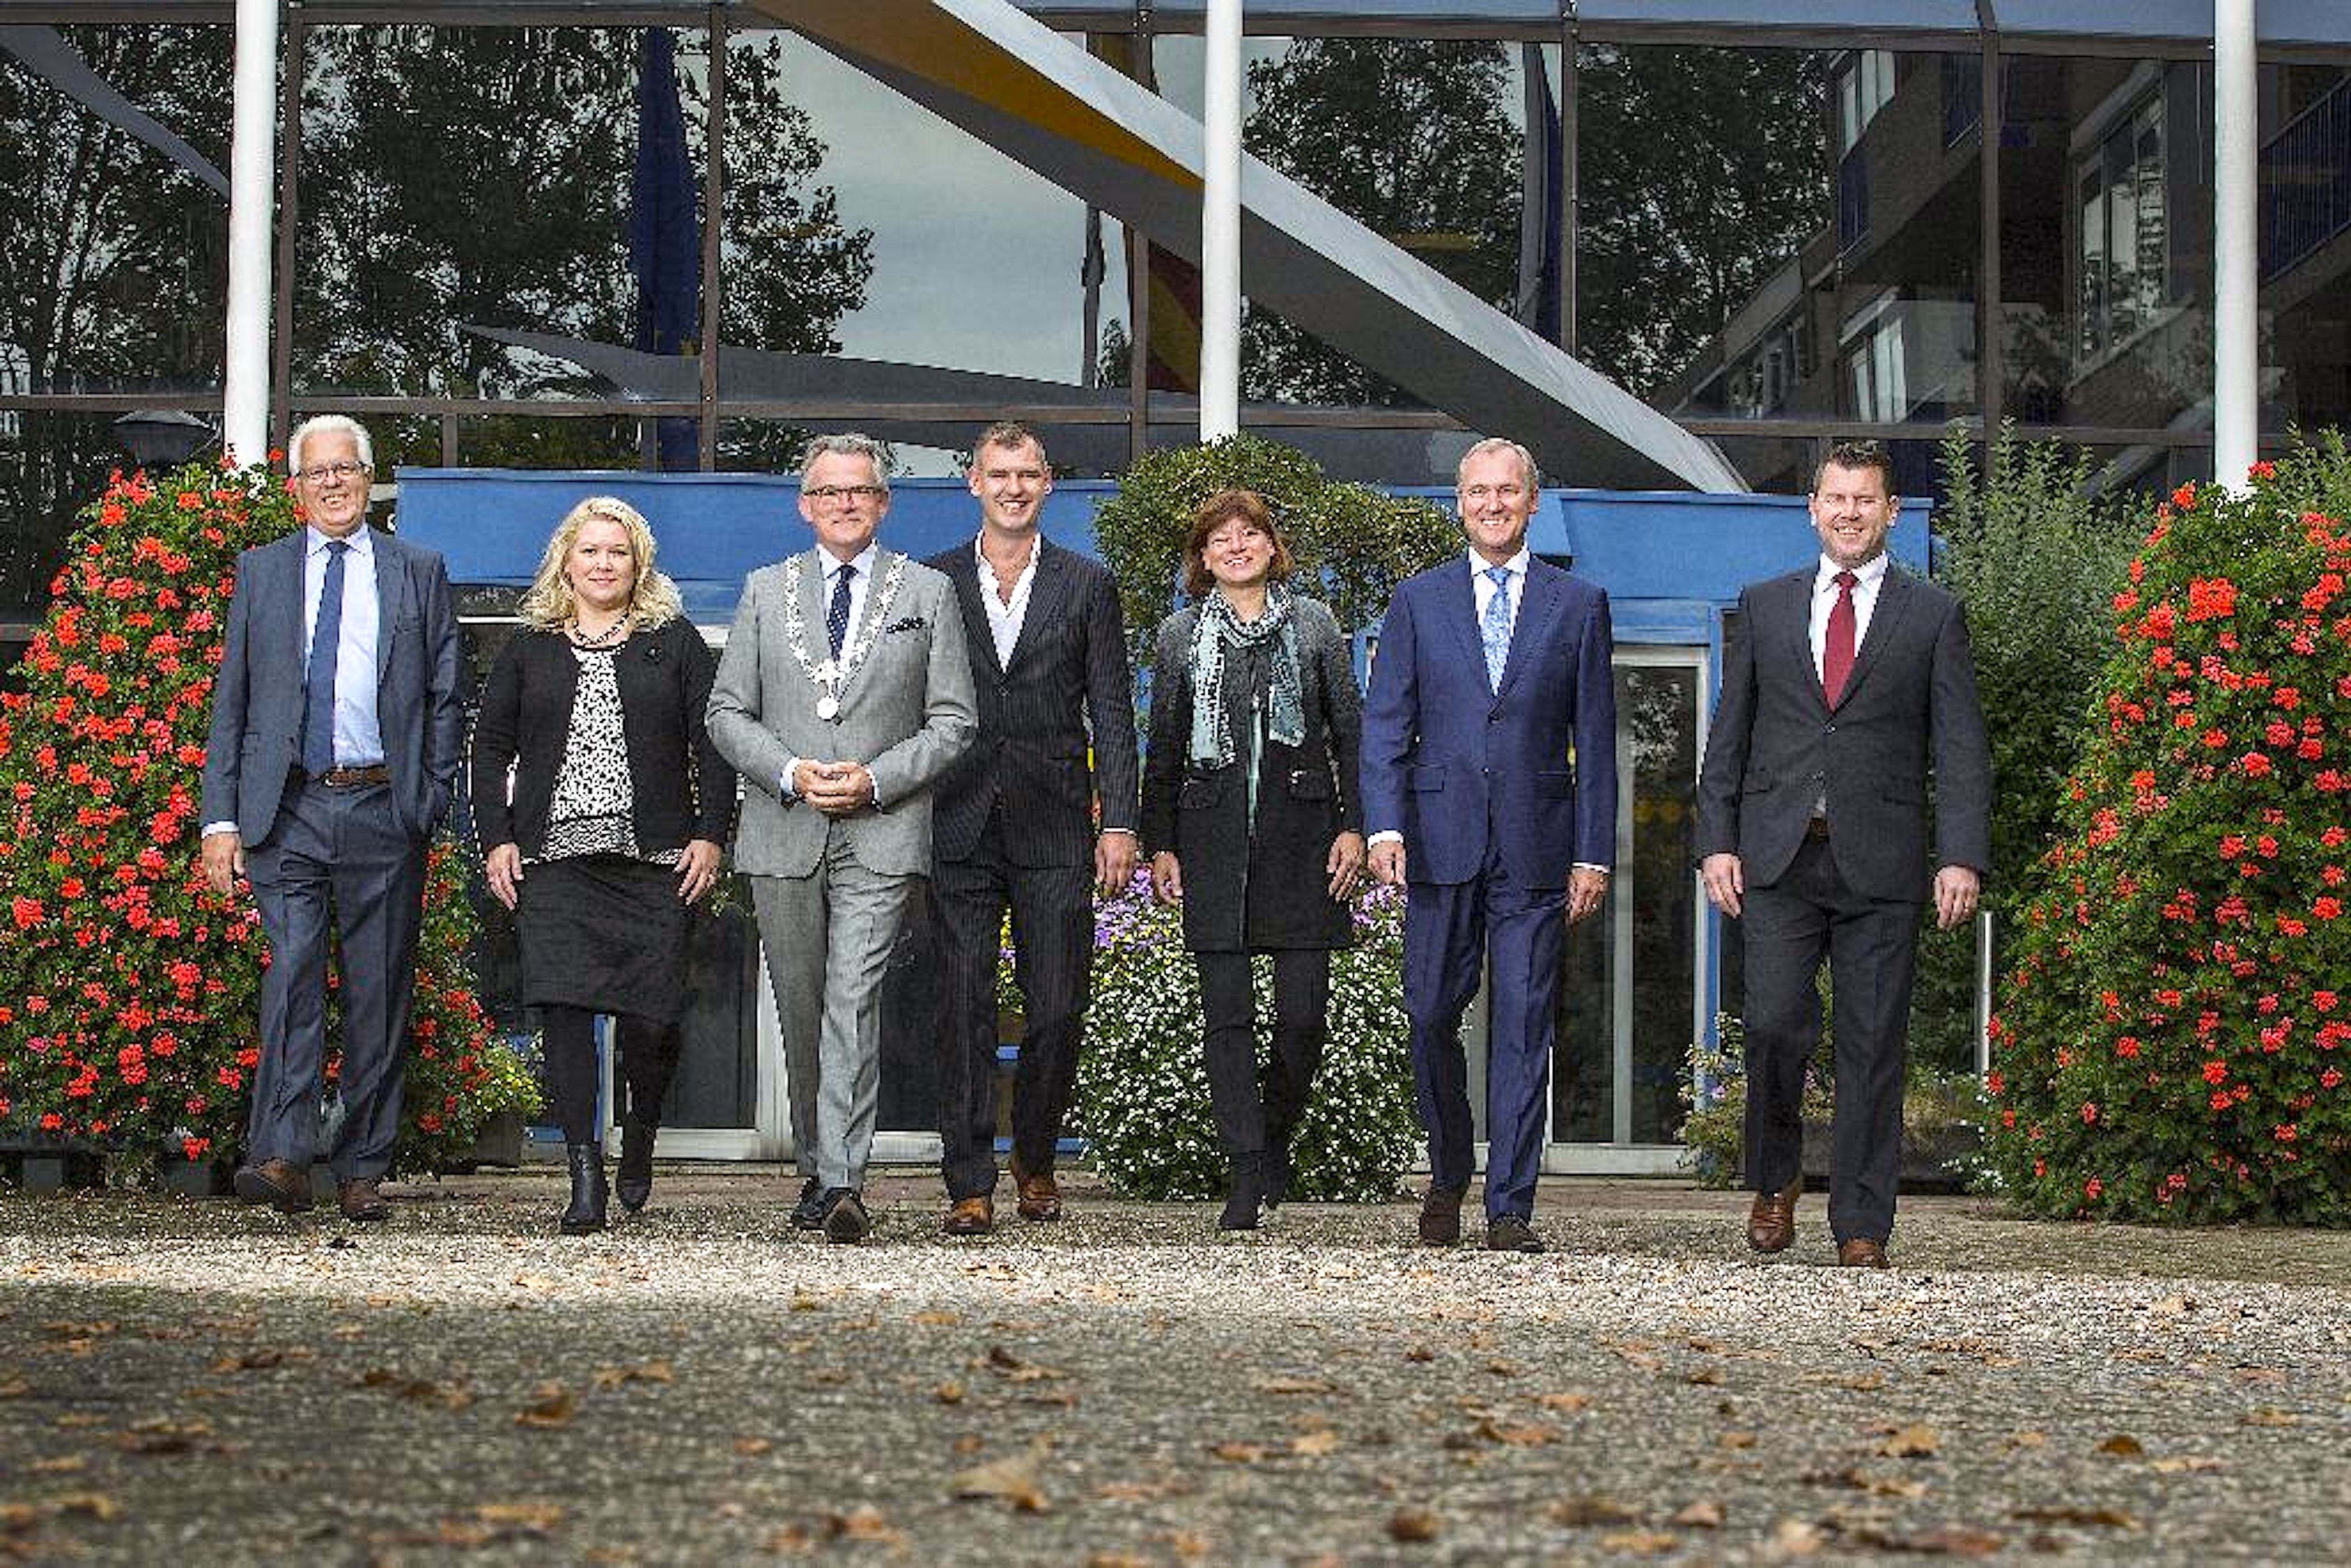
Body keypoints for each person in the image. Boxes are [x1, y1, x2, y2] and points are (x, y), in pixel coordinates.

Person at [1696, 440, 1990, 1269]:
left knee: (1871, 1042)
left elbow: (1960, 746)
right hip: (1778, 858)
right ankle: (1774, 1175)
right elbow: (1728, 736)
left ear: (1889, 511)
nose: (1849, 513)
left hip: (1881, 865)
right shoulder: (1764, 606)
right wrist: (1716, 841)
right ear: (1813, 509)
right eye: (1835, 498)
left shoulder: (1931, 615)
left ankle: (1862, 1221)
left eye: (1864, 500)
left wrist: (1959, 855)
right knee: (1771, 1025)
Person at [707, 433, 977, 1244]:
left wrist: (877, 778)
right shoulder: (764, 590)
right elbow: (726, 712)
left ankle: (842, 1181)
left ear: (882, 503)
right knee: (803, 1005)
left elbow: (953, 720)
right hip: (784, 826)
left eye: (859, 490)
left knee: (852, 1000)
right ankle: (816, 1166)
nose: (844, 503)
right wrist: (790, 771)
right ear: (805, 505)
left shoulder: (927, 592)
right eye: (828, 491)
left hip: (882, 827)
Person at [199, 414, 464, 1221]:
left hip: (386, 806)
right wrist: (219, 820)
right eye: (317, 472)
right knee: (292, 974)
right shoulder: (263, 570)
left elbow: (445, 694)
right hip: (288, 808)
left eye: (346, 468)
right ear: (297, 487)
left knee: (379, 990)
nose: (333, 483)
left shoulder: (418, 569)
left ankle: (361, 1167)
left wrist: (429, 796)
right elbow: (234, 701)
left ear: (368, 479)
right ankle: (283, 1156)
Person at [1362, 437, 1617, 1255]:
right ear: (1459, 504)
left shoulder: (1577, 604)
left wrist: (1592, 852)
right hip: (1438, 841)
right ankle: (1447, 1170)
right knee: (1428, 1011)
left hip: (1536, 848)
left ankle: (1509, 1204)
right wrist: (1384, 825)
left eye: (1507, 491)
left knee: (1523, 1025)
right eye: (1478, 491)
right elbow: (1386, 724)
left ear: (1532, 501)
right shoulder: (1417, 600)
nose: (1493, 504)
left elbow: (1595, 740)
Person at [468, 497, 736, 1235]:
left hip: (654, 862)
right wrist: (497, 838)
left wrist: (711, 835)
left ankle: (640, 1130)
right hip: (554, 862)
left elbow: (712, 743)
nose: (603, 564)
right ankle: (583, 1173)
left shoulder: (674, 641)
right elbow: (489, 748)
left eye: (617, 551)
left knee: (653, 1020)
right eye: (589, 551)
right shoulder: (529, 646)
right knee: (562, 1009)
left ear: (638, 562)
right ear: (566, 561)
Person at [923, 423, 1139, 1236]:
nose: (1013, 487)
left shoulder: (1087, 584)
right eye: (999, 474)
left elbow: (1111, 710)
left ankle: (1035, 1157)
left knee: (1057, 1006)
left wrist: (1119, 820)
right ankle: (968, 1181)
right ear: (973, 483)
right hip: (958, 817)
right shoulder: (934, 581)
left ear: (1048, 483)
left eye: (1027, 474)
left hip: (1055, 824)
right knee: (962, 1007)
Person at [1142, 490, 1365, 1232]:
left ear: (1272, 546)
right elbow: (1163, 744)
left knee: (1303, 1017)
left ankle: (1272, 1137)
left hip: (1303, 840)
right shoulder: (1179, 635)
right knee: (1226, 1019)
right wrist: (1160, 843)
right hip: (1212, 843)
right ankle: (1244, 1168)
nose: (1235, 546)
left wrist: (1355, 827)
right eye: (1220, 539)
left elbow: (1349, 733)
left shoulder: (1314, 624)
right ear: (1203, 558)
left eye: (1249, 534)